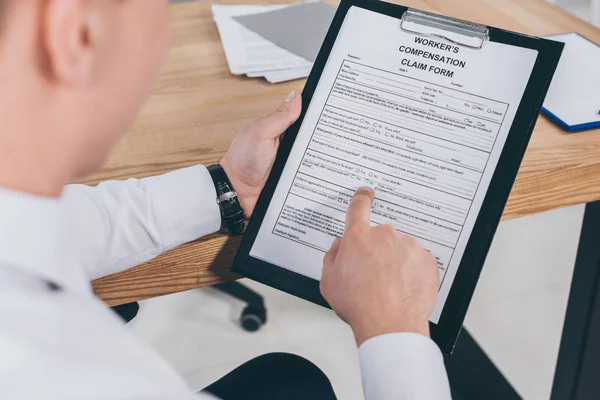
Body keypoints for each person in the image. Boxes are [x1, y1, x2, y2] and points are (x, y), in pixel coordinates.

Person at [0, 1, 452, 399]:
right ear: (76, 35)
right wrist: (396, 335)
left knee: (292, 381)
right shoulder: (67, 375)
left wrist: (226, 186)